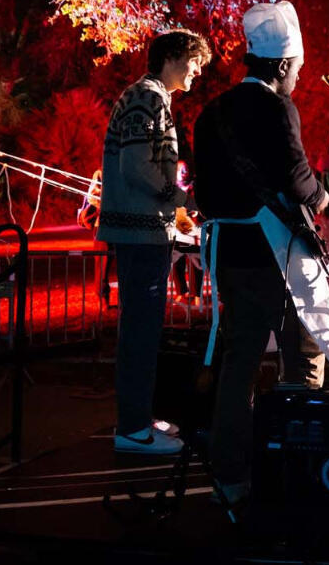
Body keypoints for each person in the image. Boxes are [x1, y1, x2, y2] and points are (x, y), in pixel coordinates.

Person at [194, 2, 329, 504]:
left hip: (230, 254)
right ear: (281, 65)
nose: (298, 76)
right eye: (296, 67)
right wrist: (323, 196)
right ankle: (297, 472)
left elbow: (204, 193)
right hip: (278, 255)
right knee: (303, 359)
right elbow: (297, 180)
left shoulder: (211, 112)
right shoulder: (277, 108)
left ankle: (230, 475)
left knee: (239, 364)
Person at [97, 28, 211, 454]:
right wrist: (180, 199)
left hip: (141, 229)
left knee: (140, 329)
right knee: (141, 331)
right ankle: (133, 429)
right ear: (174, 57)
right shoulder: (147, 98)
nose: (198, 71)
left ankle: (138, 419)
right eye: (195, 61)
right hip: (140, 232)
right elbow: (136, 166)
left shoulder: (145, 96)